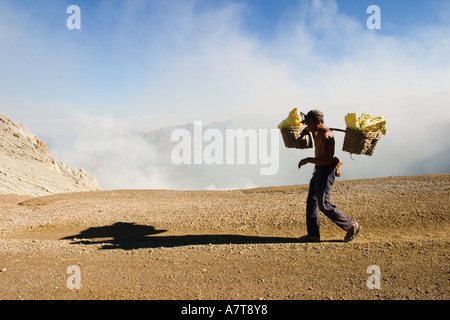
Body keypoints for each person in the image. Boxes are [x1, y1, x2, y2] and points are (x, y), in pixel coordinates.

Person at [297, 110, 361, 242]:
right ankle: (313, 235)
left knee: (323, 204)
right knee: (311, 202)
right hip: (319, 169)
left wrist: (307, 159)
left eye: (309, 123)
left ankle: (352, 226)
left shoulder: (326, 135)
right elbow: (312, 132)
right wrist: (307, 130)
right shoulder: (316, 131)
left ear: (317, 122)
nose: (307, 126)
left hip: (326, 170)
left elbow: (326, 159)